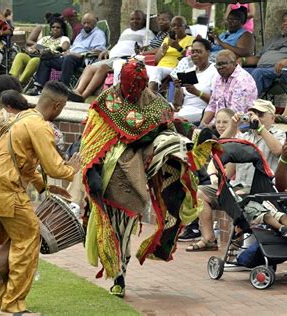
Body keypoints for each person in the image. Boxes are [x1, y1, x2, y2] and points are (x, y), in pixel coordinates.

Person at [79, 59, 205, 297]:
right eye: (130, 85)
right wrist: (92, 170)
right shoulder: (108, 100)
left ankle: (122, 271)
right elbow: (91, 137)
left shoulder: (156, 104)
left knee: (172, 145)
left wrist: (182, 140)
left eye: (139, 85)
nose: (134, 90)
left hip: (142, 167)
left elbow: (170, 127)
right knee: (116, 226)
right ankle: (118, 274)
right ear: (121, 82)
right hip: (109, 172)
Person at [0, 81, 81, 315]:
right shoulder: (39, 126)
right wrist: (73, 169)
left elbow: (26, 166)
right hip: (4, 188)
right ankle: (13, 307)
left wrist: (44, 188)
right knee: (29, 240)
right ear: (58, 106)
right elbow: (55, 167)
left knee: (9, 242)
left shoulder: (22, 118)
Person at [187, 100, 286, 250]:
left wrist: (260, 128)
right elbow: (218, 147)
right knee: (202, 192)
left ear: (272, 118)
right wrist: (234, 126)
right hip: (238, 187)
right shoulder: (245, 136)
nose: (256, 117)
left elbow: (278, 150)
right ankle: (209, 239)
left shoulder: (278, 134)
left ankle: (238, 243)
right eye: (254, 114)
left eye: (261, 114)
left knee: (236, 196)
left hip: (261, 190)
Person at [68, 10, 154, 102]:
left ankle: (83, 97)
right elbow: (120, 45)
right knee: (89, 67)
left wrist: (141, 51)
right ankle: (77, 91)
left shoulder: (147, 33)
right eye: (132, 19)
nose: (134, 21)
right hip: (112, 57)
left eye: (138, 19)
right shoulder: (126, 31)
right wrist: (108, 51)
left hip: (127, 59)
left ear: (144, 20)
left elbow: (148, 50)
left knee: (103, 68)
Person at [27, 13, 107, 96]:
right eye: (84, 23)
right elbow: (74, 47)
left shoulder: (98, 34)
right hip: (69, 57)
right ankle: (39, 87)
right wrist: (68, 51)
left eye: (89, 23)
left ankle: (62, 88)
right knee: (47, 57)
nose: (86, 25)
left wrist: (79, 54)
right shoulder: (81, 34)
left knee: (69, 58)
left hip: (83, 59)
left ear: (94, 23)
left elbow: (99, 50)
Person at [243, 13, 287, 97]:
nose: (285, 23)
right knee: (239, 72)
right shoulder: (274, 39)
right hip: (262, 69)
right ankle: (231, 104)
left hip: (284, 73)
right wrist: (241, 60)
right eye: (283, 21)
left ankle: (249, 105)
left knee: (258, 73)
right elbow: (258, 58)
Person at [199, 49, 257, 127]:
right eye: (218, 65)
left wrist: (212, 126)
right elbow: (212, 105)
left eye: (223, 64)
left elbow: (235, 113)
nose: (220, 67)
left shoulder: (242, 80)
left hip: (241, 122)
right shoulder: (218, 78)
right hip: (219, 122)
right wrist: (202, 125)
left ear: (234, 63)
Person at [9, 17, 70, 85]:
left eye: (58, 27)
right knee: (20, 55)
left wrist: (45, 49)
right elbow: (33, 47)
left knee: (34, 60)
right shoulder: (45, 38)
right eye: (53, 27)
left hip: (45, 60)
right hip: (35, 55)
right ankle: (12, 80)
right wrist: (33, 50)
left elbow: (65, 47)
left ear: (62, 30)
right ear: (50, 29)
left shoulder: (64, 38)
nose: (55, 29)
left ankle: (20, 82)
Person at [172, 38, 219, 124]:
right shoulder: (189, 71)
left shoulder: (215, 71)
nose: (195, 54)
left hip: (202, 113)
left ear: (208, 53)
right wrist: (178, 89)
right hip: (184, 111)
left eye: (199, 51)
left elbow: (216, 103)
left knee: (172, 120)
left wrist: (197, 92)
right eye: (193, 52)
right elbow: (177, 104)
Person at [143, 16, 194, 91]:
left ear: (185, 27)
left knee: (157, 71)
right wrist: (162, 51)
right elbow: (156, 60)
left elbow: (190, 58)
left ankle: (151, 98)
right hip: (159, 67)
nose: (176, 27)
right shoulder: (167, 40)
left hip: (173, 68)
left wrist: (178, 48)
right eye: (173, 25)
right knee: (136, 68)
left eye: (179, 25)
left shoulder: (191, 39)